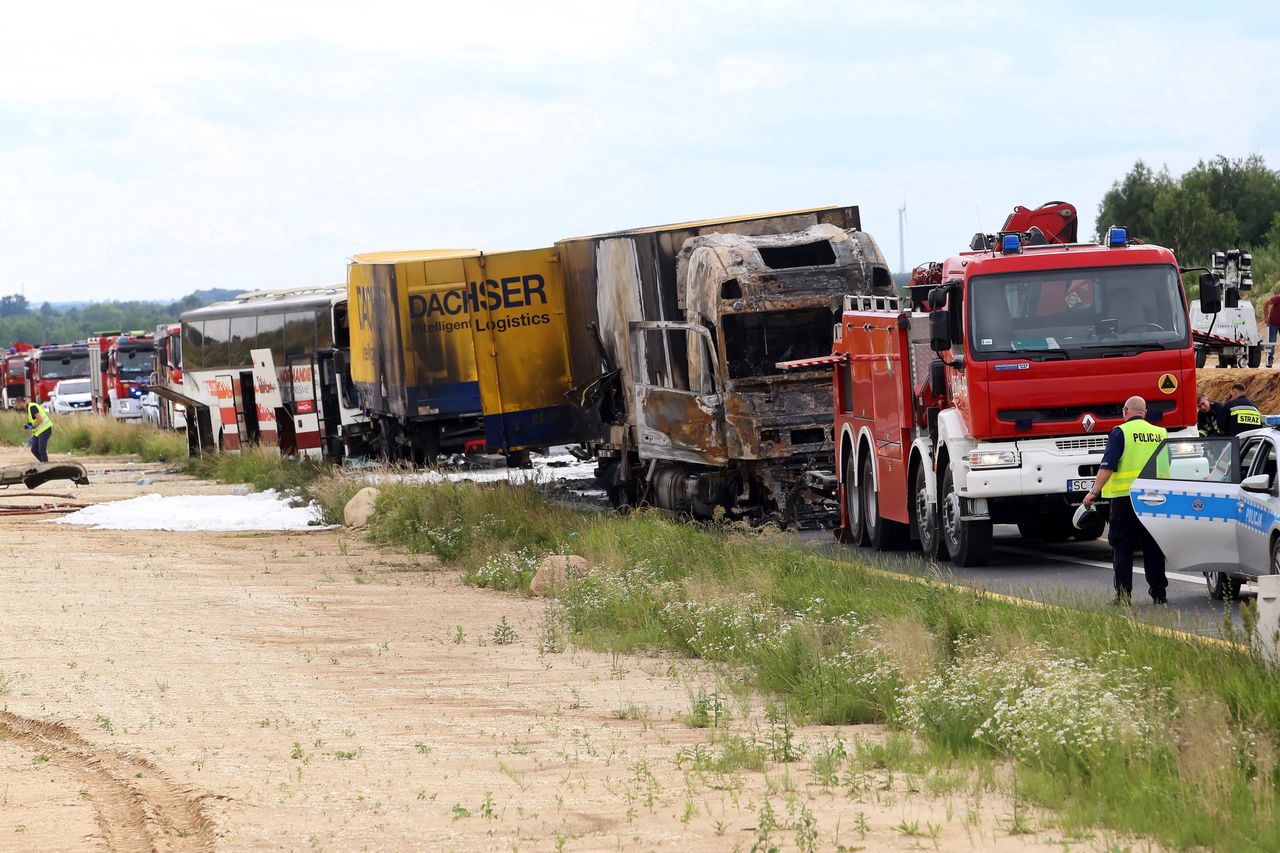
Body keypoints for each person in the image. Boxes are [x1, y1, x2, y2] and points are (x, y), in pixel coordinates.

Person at [1082, 396, 1167, 605]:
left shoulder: (1120, 433)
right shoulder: (1161, 433)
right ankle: (1159, 594)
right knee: (1153, 548)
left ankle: (1123, 596)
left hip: (1125, 499)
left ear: (1125, 411)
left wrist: (1093, 492)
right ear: (1145, 413)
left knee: (1122, 547)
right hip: (1155, 499)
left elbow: (1107, 466)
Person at [16, 395, 53, 463]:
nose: (17, 407)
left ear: (20, 403)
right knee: (34, 450)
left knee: (41, 450)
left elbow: (40, 419)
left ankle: (46, 466)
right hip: (39, 432)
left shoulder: (32, 407)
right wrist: (31, 432)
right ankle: (43, 463)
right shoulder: (28, 409)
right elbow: (35, 422)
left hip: (45, 429)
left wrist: (32, 426)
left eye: (17, 405)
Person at [1264, 291, 1280, 367]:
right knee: (1271, 342)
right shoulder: (1278, 298)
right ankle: (1269, 360)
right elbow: (1265, 303)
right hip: (1273, 324)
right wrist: (1266, 317)